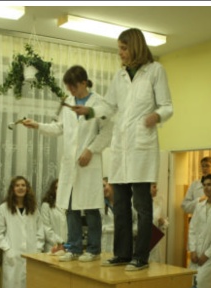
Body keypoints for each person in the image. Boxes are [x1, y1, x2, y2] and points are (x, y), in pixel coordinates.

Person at [93, 28, 174, 271]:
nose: (120, 53)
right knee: (120, 205)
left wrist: (156, 116)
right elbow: (109, 105)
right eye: (119, 48)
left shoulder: (155, 71)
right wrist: (89, 111)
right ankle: (122, 253)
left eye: (124, 48)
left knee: (142, 206)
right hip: (121, 148)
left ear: (135, 47)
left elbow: (167, 106)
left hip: (141, 148)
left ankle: (141, 257)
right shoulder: (120, 76)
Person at [22, 65, 111, 263]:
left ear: (84, 83)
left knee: (91, 207)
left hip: (89, 162)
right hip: (71, 164)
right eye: (68, 87)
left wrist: (91, 150)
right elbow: (59, 128)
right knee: (70, 206)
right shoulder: (68, 103)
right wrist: (37, 125)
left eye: (73, 87)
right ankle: (74, 247)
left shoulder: (99, 103)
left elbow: (107, 132)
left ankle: (94, 249)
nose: (70, 91)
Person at [0, 176, 45, 288]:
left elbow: (40, 231)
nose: (20, 188)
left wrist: (38, 249)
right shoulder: (4, 209)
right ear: (12, 189)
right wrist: (8, 249)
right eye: (17, 185)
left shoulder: (33, 209)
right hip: (13, 255)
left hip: (31, 255)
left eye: (23, 185)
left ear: (27, 188)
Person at [188, 174, 211, 288]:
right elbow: (192, 229)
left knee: (203, 286)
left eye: (209, 185)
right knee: (191, 285)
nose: (206, 188)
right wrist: (193, 250)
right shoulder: (199, 206)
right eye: (204, 185)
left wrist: (206, 255)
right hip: (196, 255)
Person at [101, 177, 137, 254]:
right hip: (105, 246)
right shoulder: (100, 206)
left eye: (104, 186)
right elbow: (96, 227)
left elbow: (137, 223)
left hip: (125, 246)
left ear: (112, 185)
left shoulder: (128, 204)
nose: (102, 189)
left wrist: (127, 231)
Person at [39, 179, 67, 254]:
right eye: (57, 188)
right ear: (53, 190)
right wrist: (61, 243)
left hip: (68, 248)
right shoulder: (46, 205)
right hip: (52, 247)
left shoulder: (70, 207)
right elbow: (46, 228)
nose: (60, 190)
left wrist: (67, 245)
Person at [148, 182, 169, 263]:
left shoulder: (157, 204)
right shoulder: (136, 205)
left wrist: (162, 222)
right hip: (141, 242)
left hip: (154, 243)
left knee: (155, 266)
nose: (157, 189)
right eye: (154, 187)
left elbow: (165, 222)